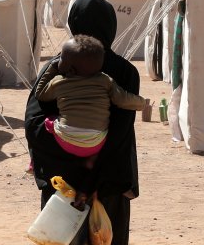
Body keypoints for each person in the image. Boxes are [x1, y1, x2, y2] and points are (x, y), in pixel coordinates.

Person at [25, 0, 140, 245]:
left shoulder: (57, 68)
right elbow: (119, 136)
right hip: (106, 191)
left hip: (64, 190)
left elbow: (34, 125)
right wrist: (98, 184)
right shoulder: (123, 71)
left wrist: (65, 172)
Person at [34, 34, 149, 202]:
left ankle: (33, 163)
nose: (59, 60)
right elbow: (123, 99)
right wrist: (141, 103)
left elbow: (40, 94)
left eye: (61, 58)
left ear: (70, 69)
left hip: (65, 140)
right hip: (97, 142)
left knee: (48, 120)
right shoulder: (105, 81)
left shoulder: (59, 82)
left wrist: (52, 68)